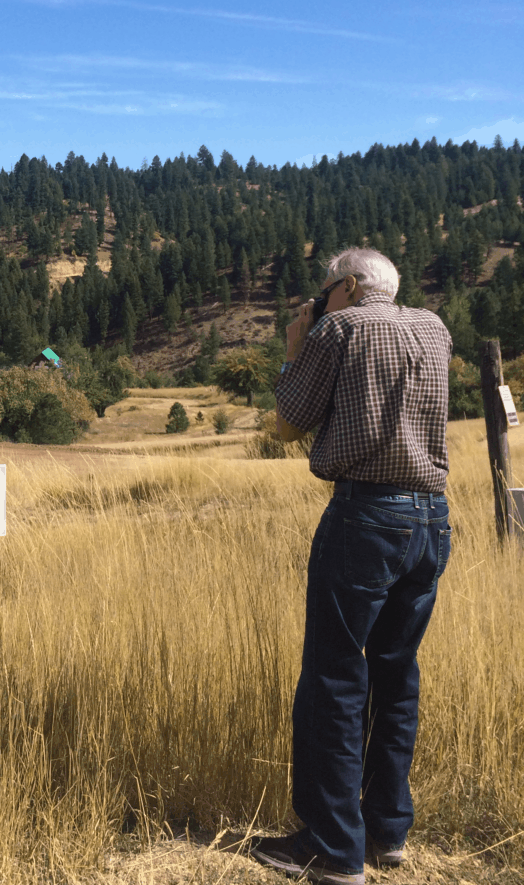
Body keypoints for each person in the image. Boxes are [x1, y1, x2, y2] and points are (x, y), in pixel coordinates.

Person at [251, 248, 453, 885]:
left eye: (323, 290)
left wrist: (293, 345)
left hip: (366, 515)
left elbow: (287, 424)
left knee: (335, 680)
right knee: (397, 675)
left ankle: (333, 849)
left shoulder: (339, 328)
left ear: (347, 286)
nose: (318, 301)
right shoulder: (434, 327)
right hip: (431, 519)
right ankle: (387, 831)